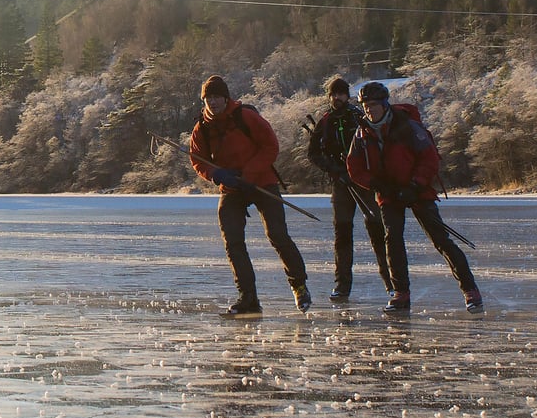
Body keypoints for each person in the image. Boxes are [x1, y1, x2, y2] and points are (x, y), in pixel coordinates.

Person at [346, 81, 484, 315]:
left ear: (384, 104)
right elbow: (354, 167)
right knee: (393, 240)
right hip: (388, 194)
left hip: (417, 191)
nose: (369, 110)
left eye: (373, 105)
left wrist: (415, 185)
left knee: (441, 239)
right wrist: (376, 184)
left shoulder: (407, 126)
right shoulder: (361, 133)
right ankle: (400, 293)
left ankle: (470, 290)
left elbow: (429, 158)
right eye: (365, 106)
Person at [189, 74, 312, 318]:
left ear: (226, 98)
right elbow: (197, 160)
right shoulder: (201, 128)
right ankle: (248, 298)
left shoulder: (246, 117)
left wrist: (248, 173)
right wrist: (217, 175)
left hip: (262, 183)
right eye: (208, 98)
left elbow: (271, 146)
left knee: (277, 235)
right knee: (233, 242)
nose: (212, 102)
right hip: (231, 189)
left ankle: (298, 284)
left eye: (216, 97)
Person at [306, 75, 392, 303]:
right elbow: (313, 153)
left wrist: (363, 171)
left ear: (348, 95)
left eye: (341, 93)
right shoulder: (326, 121)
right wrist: (333, 169)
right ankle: (342, 285)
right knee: (342, 235)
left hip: (364, 183)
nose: (337, 98)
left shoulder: (359, 117)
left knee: (377, 231)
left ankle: (391, 282)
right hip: (341, 185)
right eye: (333, 94)